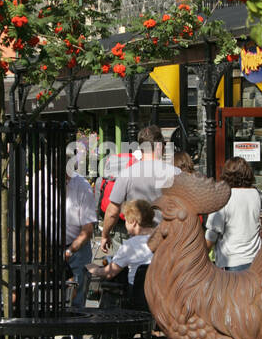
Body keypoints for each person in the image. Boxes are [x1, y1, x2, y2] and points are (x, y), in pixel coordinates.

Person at [99, 126, 178, 253]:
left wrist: (104, 235)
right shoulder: (176, 174)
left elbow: (112, 212)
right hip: (169, 244)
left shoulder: (126, 175)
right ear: (159, 147)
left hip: (139, 246)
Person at [204, 157, 262, 271]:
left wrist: (202, 254)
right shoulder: (257, 194)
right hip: (256, 260)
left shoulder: (224, 198)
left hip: (231, 261)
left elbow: (212, 233)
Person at [91, 199, 155, 290]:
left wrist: (92, 268)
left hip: (138, 294)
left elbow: (109, 273)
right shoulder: (164, 239)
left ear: (133, 222)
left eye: (126, 220)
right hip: (160, 293)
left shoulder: (130, 245)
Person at [64, 165, 97, 311]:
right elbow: (30, 220)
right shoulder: (41, 181)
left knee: (76, 303)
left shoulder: (82, 186)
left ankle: (74, 333)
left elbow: (87, 229)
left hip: (77, 249)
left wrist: (70, 250)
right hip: (46, 247)